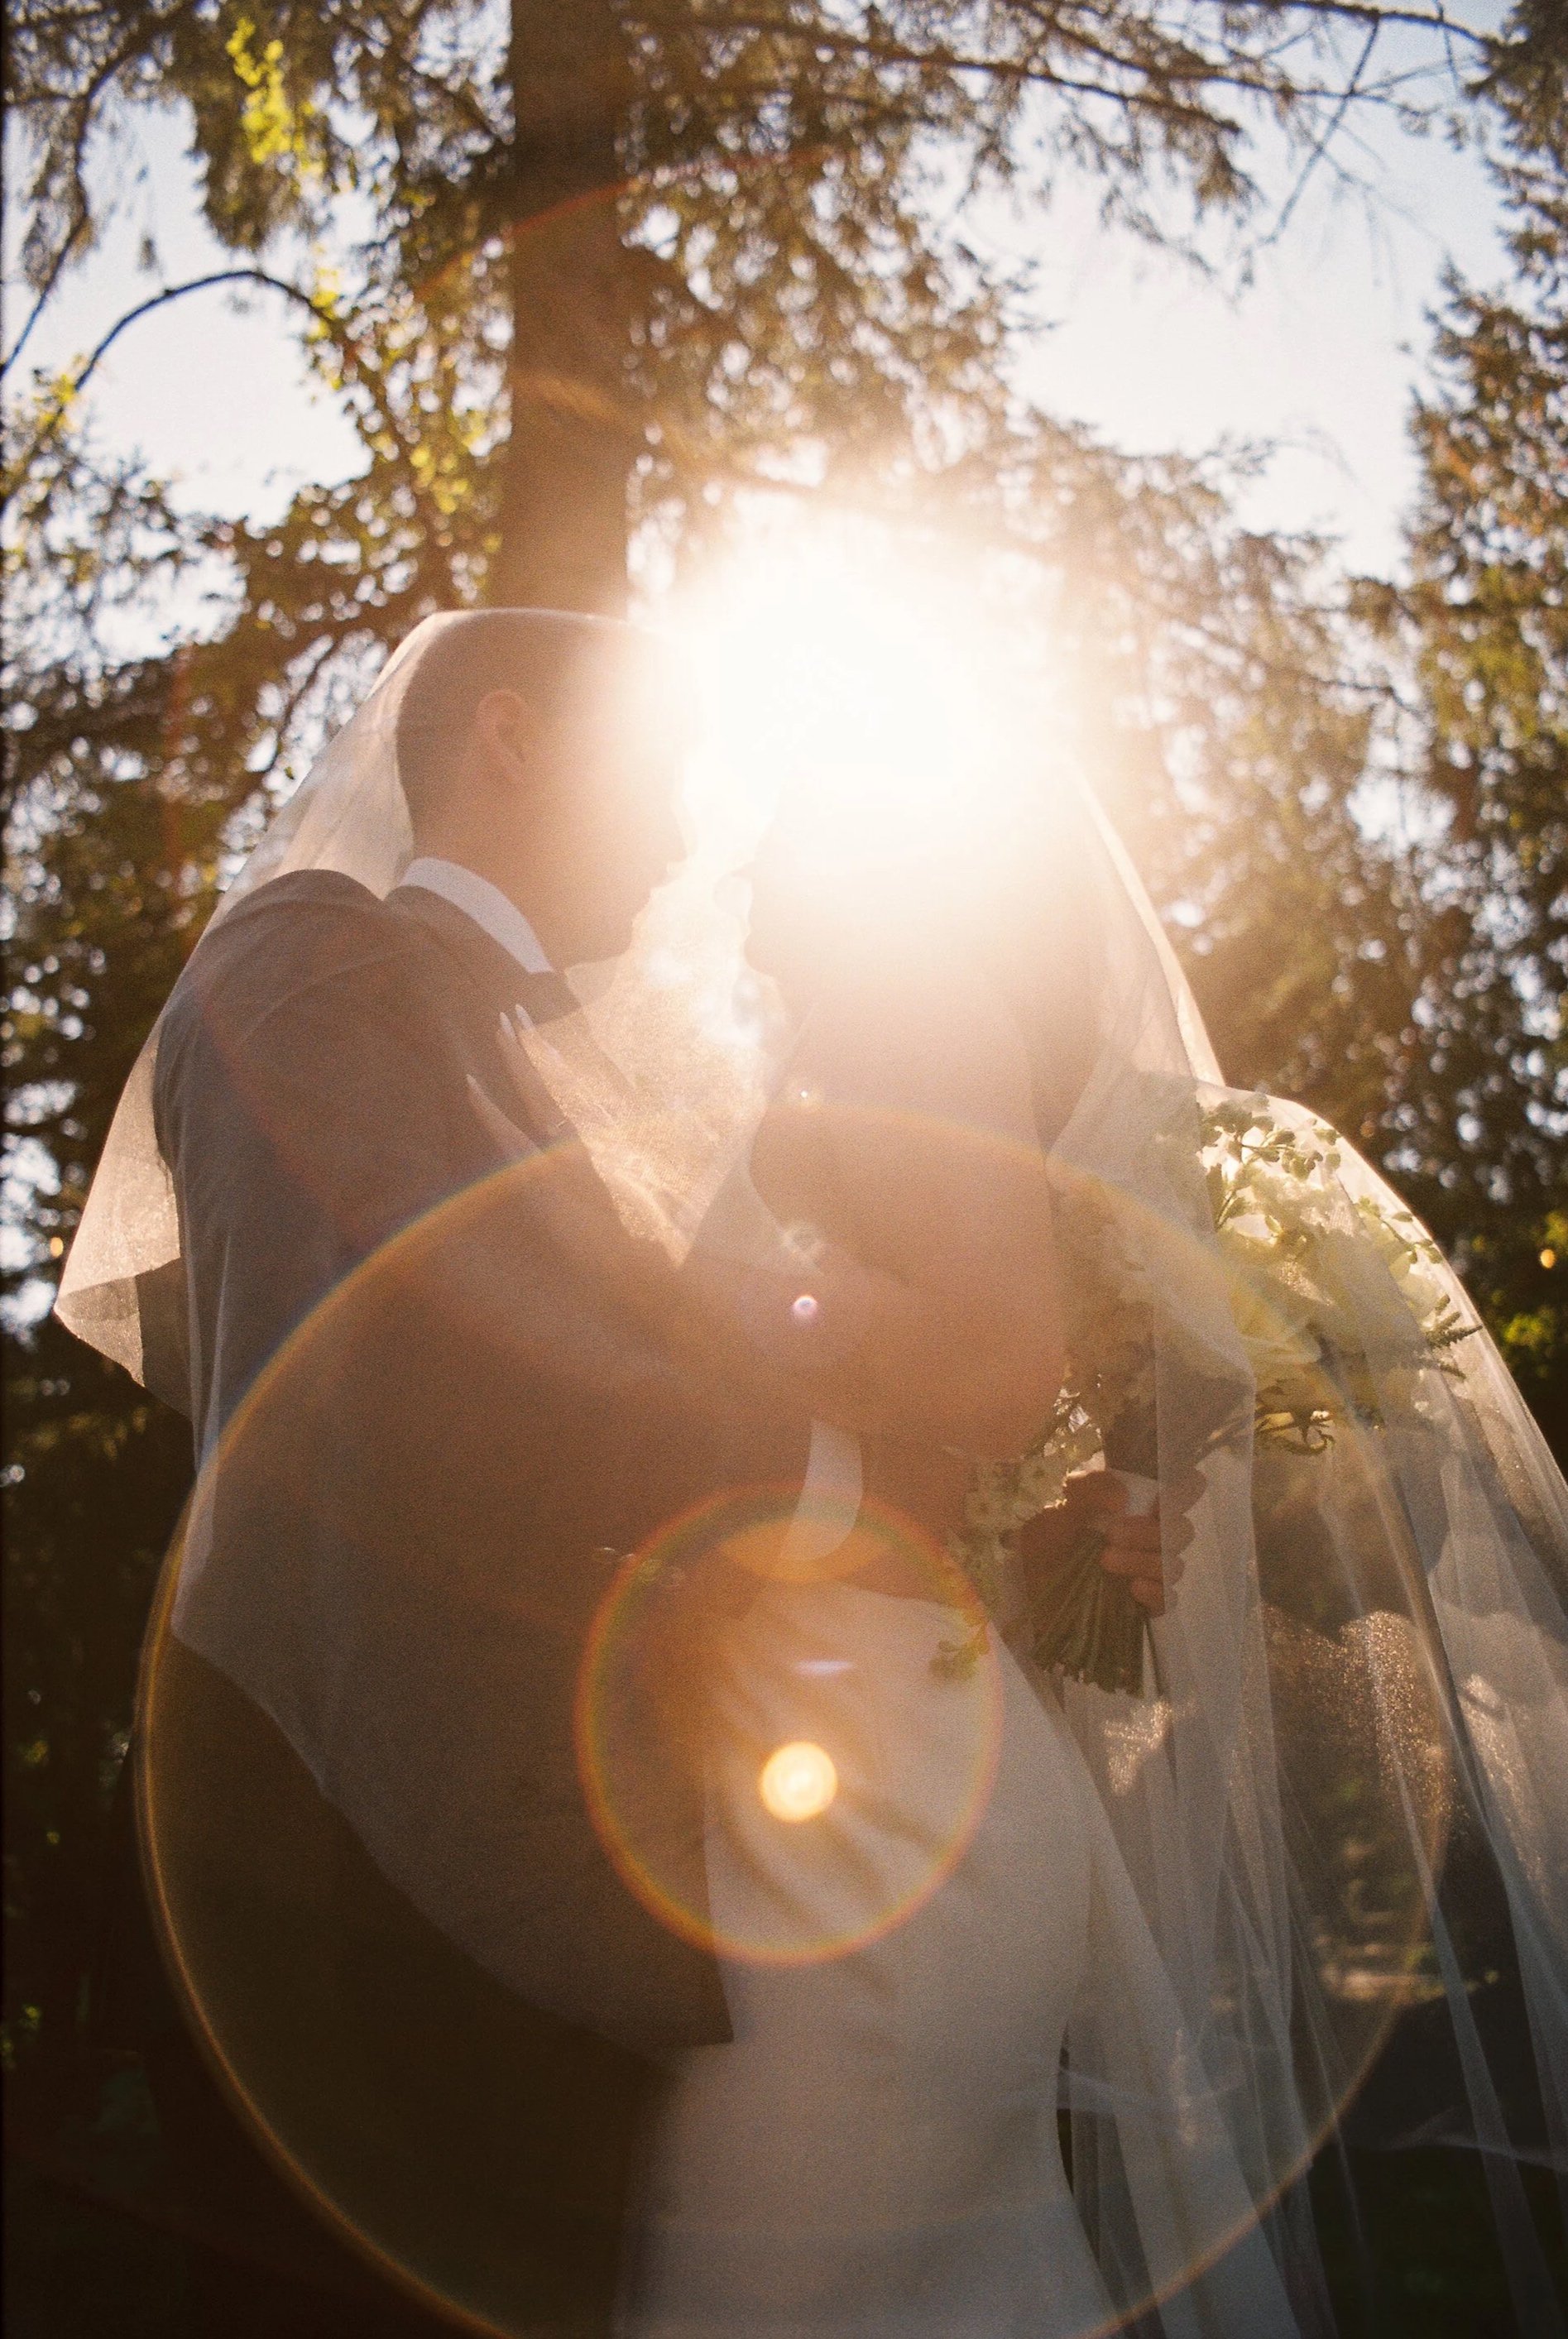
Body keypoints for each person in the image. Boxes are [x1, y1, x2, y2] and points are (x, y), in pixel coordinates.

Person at [59, 608, 1176, 2336]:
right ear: (508, 741)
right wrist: (833, 1497)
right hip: (333, 1873)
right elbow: (435, 1361)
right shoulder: (313, 957)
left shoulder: (564, 1067)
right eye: (654, 773)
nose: (680, 837)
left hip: (562, 1892)